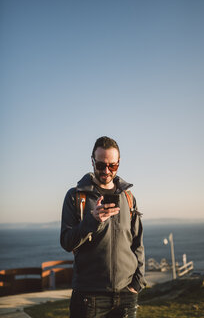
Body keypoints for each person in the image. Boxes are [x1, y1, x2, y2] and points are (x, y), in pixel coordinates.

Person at [60, 136, 146, 318]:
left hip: (126, 295)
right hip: (88, 297)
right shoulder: (75, 197)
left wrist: (137, 283)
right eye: (100, 165)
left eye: (112, 166)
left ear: (119, 163)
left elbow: (137, 242)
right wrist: (92, 220)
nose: (106, 170)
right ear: (92, 161)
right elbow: (67, 242)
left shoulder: (128, 198)